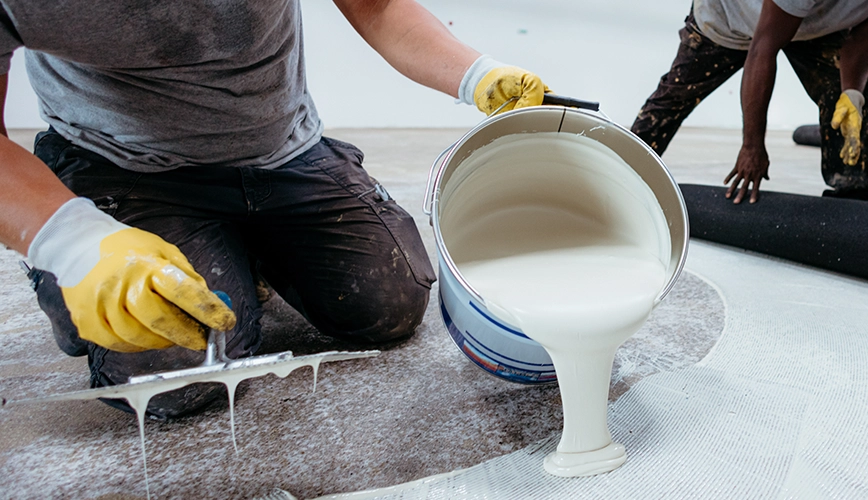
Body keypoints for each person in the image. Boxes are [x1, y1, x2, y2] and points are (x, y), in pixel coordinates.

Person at [0, 0, 549, 419]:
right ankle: (81, 268)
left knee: (387, 305)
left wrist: (476, 75)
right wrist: (72, 244)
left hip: (284, 153)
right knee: (175, 378)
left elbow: (375, 6)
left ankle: (247, 250)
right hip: (125, 165)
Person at [632, 0, 868, 203]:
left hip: (814, 26)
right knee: (672, 101)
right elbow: (763, 48)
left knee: (847, 101)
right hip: (728, 19)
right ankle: (621, 173)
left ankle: (850, 197)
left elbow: (867, 39)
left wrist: (852, 92)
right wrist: (752, 146)